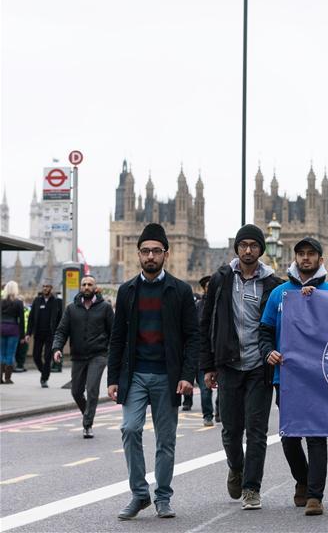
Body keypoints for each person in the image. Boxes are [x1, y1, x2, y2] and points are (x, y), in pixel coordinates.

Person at [107, 223, 198, 520]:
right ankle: (139, 493)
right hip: (134, 375)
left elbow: (192, 337)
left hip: (167, 376)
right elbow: (117, 337)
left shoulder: (181, 291)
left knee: (165, 440)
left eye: (155, 251)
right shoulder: (127, 291)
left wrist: (187, 375)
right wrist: (112, 379)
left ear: (165, 255)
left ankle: (163, 497)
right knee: (129, 429)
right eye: (145, 251)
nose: (150, 256)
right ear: (138, 254)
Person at [199, 224, 282, 510]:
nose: (248, 250)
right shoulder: (222, 278)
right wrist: (208, 365)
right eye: (243, 245)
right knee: (231, 431)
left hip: (259, 366)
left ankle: (251, 487)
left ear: (261, 249)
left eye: (254, 245)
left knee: (256, 431)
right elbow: (206, 322)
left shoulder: (273, 283)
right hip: (229, 365)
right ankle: (236, 467)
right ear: (237, 248)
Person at [260, 237, 328, 516]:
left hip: (321, 377)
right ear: (295, 259)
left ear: (321, 260)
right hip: (288, 376)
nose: (305, 258)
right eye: (301, 254)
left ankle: (315, 496)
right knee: (290, 436)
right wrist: (269, 351)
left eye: (311, 254)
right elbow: (265, 330)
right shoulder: (279, 294)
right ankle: (303, 480)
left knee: (316, 436)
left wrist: (316, 303)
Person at [51, 275, 114, 438]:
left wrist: (111, 351)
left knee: (92, 389)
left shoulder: (105, 308)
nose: (86, 287)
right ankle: (88, 413)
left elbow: (114, 332)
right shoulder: (71, 308)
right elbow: (61, 331)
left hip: (98, 355)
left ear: (95, 288)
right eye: (84, 284)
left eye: (90, 284)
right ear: (80, 287)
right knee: (76, 392)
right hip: (78, 355)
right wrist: (57, 348)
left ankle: (87, 424)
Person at [183, 276, 214, 426]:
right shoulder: (198, 306)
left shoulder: (220, 304)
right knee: (204, 386)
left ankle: (220, 411)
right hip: (201, 352)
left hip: (217, 351)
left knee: (223, 387)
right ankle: (207, 415)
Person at [27, 281, 63, 387]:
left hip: (51, 334)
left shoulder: (57, 302)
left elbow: (61, 319)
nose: (45, 288)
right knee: (36, 356)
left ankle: (44, 379)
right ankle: (44, 372)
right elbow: (31, 318)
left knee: (48, 357)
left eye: (47, 286)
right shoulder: (37, 301)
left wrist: (59, 332)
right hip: (38, 333)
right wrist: (28, 333)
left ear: (51, 288)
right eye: (43, 286)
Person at [1, 281, 26, 384]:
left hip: (1, 327)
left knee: (1, 353)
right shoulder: (18, 302)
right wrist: (23, 335)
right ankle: (8, 378)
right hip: (13, 328)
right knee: (10, 354)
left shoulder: (1, 302)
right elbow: (21, 319)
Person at [14, 302, 30, 372]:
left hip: (25, 332)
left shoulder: (28, 310)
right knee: (17, 350)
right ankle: (17, 365)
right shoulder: (15, 310)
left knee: (23, 350)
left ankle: (20, 365)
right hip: (17, 332)